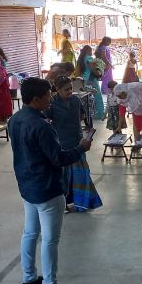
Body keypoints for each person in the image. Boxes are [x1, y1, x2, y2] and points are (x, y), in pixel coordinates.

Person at [9, 77, 93, 284]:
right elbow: (58, 159)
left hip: (27, 184)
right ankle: (49, 283)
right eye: (47, 95)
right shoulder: (41, 126)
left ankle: (28, 276)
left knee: (30, 233)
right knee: (50, 239)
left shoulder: (15, 119)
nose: (50, 98)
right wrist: (82, 148)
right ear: (36, 99)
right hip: (47, 187)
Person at [46, 76, 102, 213]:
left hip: (78, 142)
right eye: (66, 89)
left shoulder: (76, 100)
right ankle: (64, 204)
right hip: (62, 145)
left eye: (71, 88)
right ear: (57, 90)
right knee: (64, 177)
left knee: (82, 173)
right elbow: (46, 120)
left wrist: (86, 133)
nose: (70, 91)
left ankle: (82, 202)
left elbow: (83, 116)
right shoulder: (52, 105)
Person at [75, 45, 105, 120]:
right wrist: (98, 73)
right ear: (88, 51)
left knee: (86, 97)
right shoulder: (89, 58)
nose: (92, 52)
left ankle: (86, 113)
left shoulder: (80, 59)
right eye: (91, 50)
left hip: (83, 79)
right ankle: (99, 114)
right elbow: (92, 68)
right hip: (91, 79)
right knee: (96, 96)